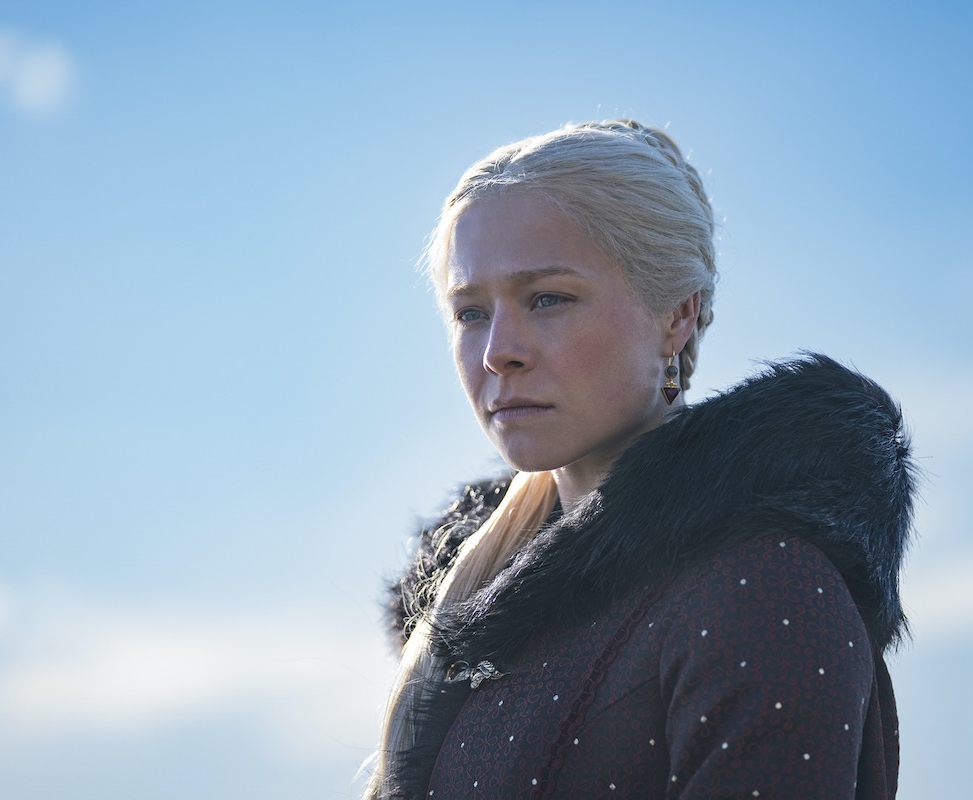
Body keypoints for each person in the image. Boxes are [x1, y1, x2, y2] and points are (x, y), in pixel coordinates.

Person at [365, 120, 916, 799]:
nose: (498, 352)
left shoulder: (765, 587)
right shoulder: (473, 606)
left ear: (676, 316)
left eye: (548, 299)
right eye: (470, 313)